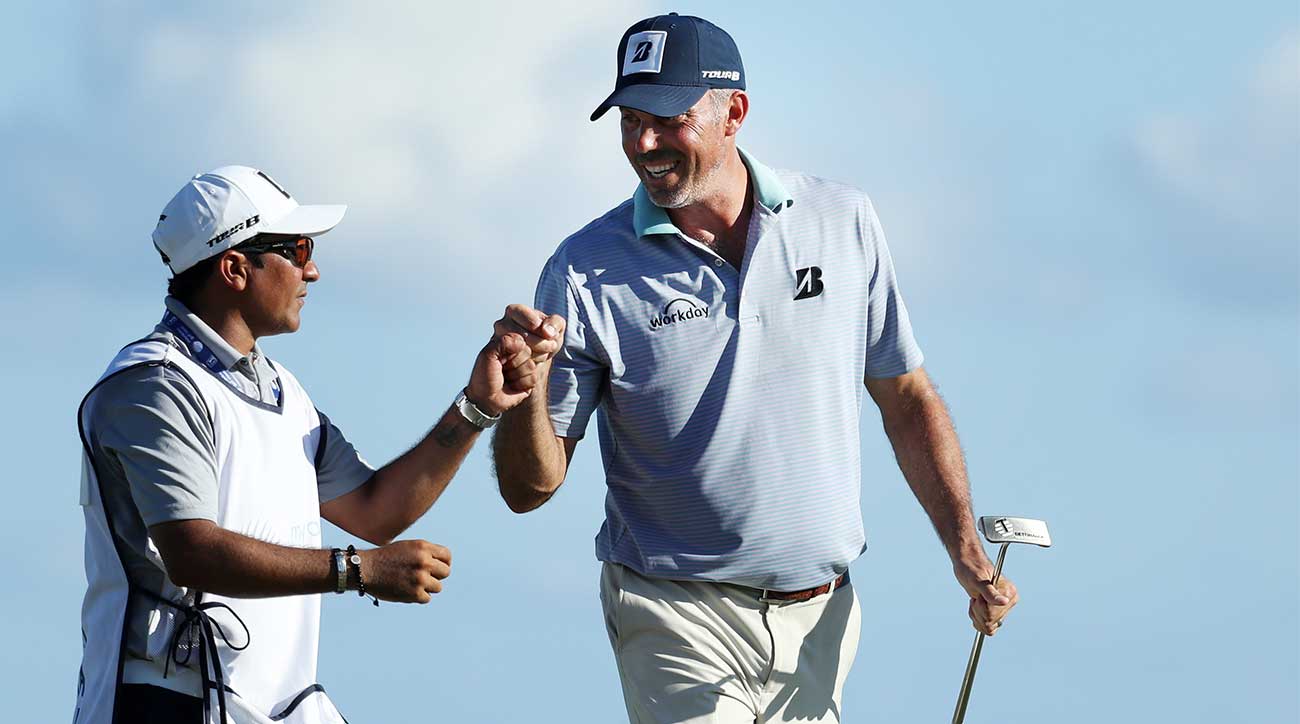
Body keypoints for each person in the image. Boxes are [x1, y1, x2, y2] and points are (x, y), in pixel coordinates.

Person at [491, 13, 1020, 723]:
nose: (644, 143)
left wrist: (964, 548)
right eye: (630, 121)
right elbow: (530, 488)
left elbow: (905, 396)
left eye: (668, 120)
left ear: (734, 112)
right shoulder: (584, 268)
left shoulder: (843, 220)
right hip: (673, 613)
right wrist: (524, 397)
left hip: (822, 619)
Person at [73, 165, 538, 723]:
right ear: (234, 269)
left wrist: (476, 408)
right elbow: (192, 553)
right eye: (297, 250)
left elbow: (375, 511)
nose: (311, 270)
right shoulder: (154, 386)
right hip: (166, 703)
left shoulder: (282, 390)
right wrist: (358, 570)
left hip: (263, 703)